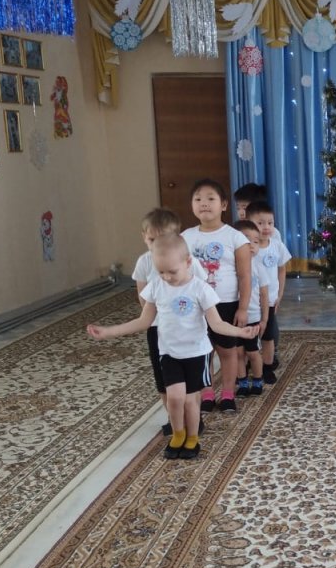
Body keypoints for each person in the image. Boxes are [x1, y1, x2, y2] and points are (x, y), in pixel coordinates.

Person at [87, 234, 257, 459]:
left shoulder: (200, 289)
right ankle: (178, 434)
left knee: (190, 400)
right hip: (169, 353)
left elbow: (216, 324)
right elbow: (143, 321)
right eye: (161, 272)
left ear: (188, 262)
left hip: (196, 354)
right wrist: (108, 332)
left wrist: (240, 332)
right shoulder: (157, 286)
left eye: (172, 271)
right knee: (175, 398)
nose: (166, 277)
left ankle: (192, 439)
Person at [132, 208, 208, 436]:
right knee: (164, 379)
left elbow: (201, 290)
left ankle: (193, 417)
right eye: (151, 240)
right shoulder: (144, 262)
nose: (157, 244)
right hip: (159, 328)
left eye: (163, 238)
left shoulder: (188, 262)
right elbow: (143, 297)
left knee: (191, 383)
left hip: (187, 330)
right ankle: (174, 420)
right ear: (144, 237)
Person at [181, 178, 251, 413]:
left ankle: (228, 394)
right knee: (204, 351)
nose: (204, 203)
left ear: (223, 205)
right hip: (197, 306)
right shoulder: (185, 237)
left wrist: (243, 308)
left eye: (210, 199)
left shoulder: (235, 237)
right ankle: (207, 393)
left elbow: (245, 276)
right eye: (198, 199)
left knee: (227, 351)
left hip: (225, 303)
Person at [246, 200, 292, 383]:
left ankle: (267, 367)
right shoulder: (245, 247)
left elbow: (282, 269)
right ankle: (246, 365)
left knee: (268, 335)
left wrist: (279, 294)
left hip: (270, 300)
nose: (266, 227)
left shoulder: (276, 246)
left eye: (270, 223)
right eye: (260, 223)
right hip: (249, 301)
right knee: (248, 334)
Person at [232, 220, 270, 396]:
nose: (252, 245)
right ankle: (242, 382)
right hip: (234, 316)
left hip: (253, 317)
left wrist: (264, 319)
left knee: (253, 352)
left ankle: (257, 380)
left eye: (256, 241)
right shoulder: (231, 267)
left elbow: (264, 295)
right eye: (247, 240)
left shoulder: (259, 266)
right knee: (238, 352)